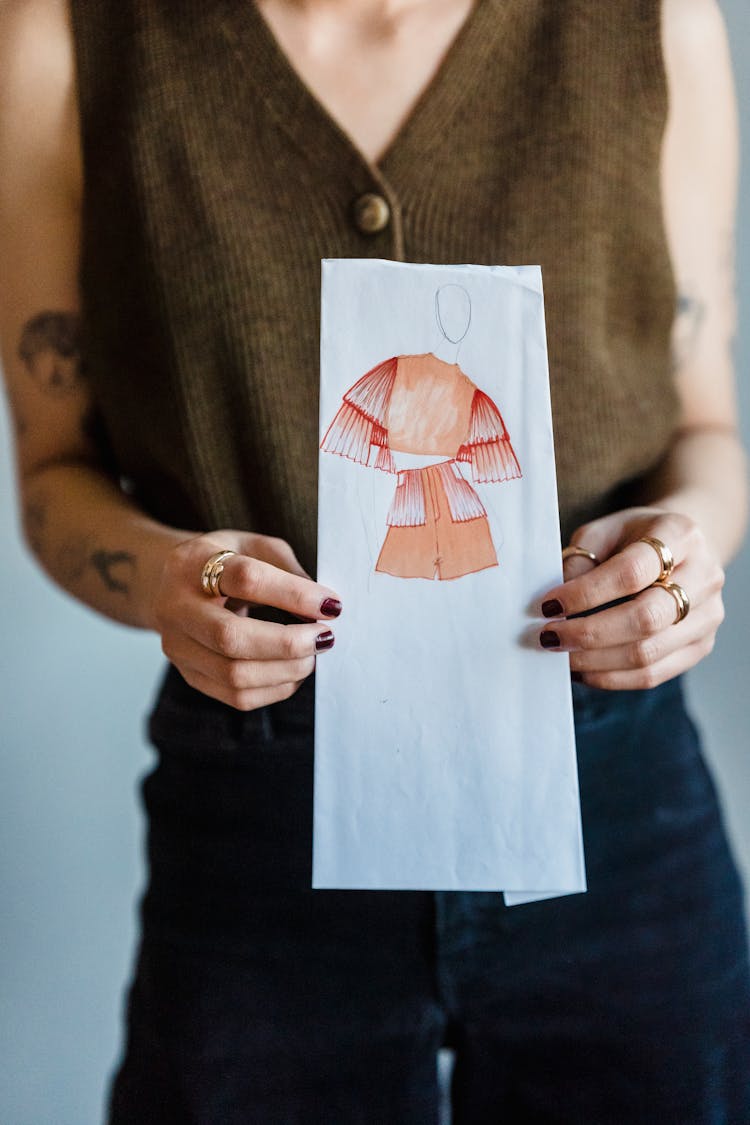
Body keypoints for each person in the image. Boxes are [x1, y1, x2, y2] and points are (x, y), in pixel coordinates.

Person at [0, 0, 748, 1120]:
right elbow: (54, 472)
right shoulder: (64, 32)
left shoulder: (650, 20)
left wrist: (683, 559)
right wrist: (168, 577)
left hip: (612, 798)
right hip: (256, 809)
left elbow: (708, 429)